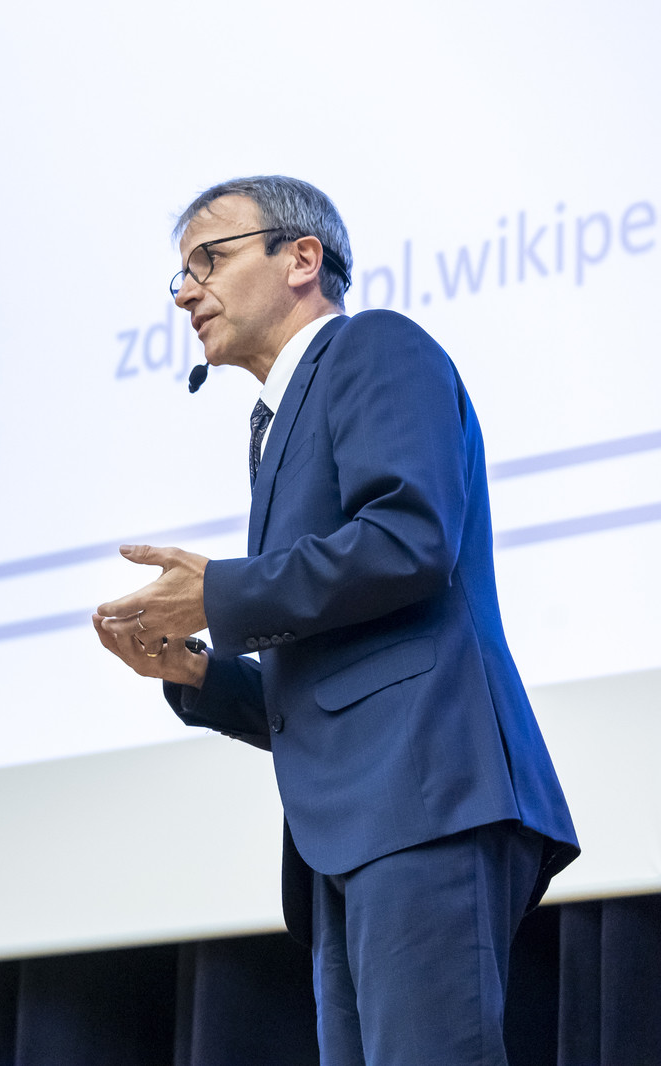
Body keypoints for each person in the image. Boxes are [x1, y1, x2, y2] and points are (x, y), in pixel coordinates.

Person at [92, 175, 578, 1066]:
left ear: (302, 258)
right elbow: (333, 682)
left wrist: (221, 593)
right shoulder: (274, 424)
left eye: (209, 260)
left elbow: (409, 540)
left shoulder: (375, 347)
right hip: (355, 827)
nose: (186, 292)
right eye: (180, 274)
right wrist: (201, 673)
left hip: (425, 795)